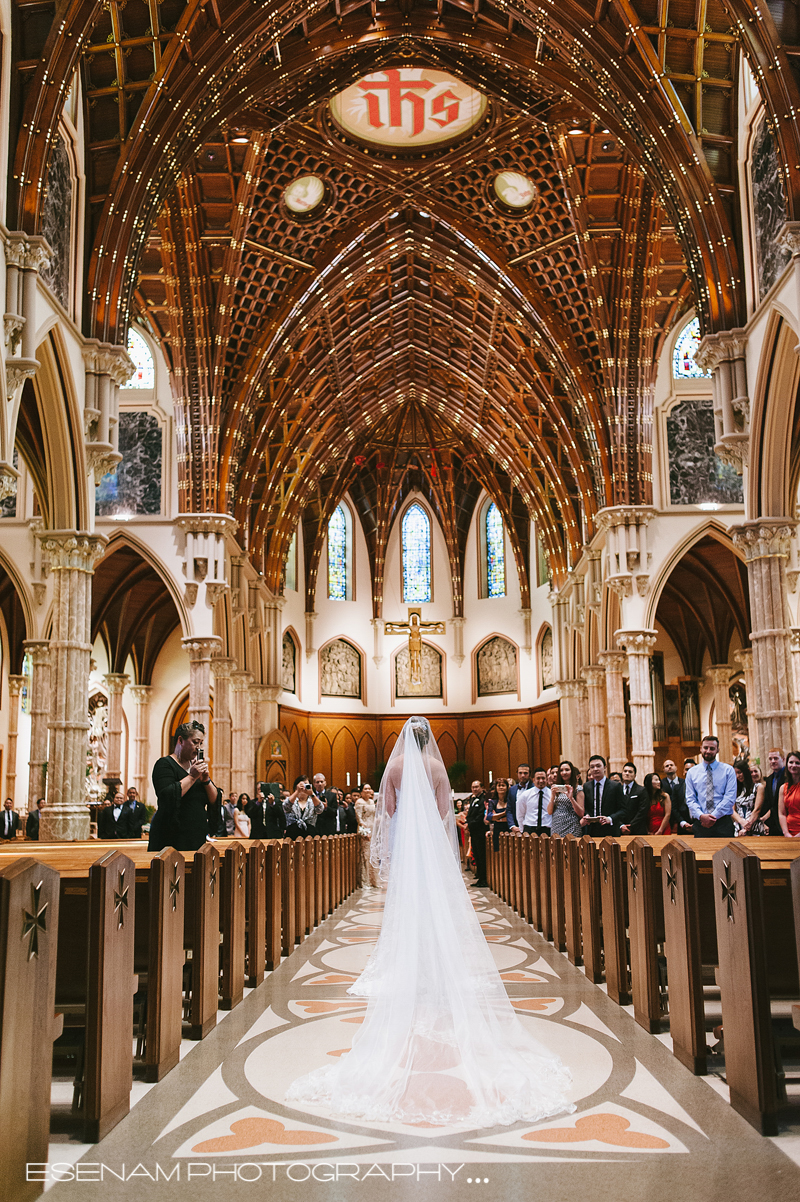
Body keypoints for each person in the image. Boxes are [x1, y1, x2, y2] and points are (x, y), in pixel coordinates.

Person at [285, 716, 574, 1125]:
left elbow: (386, 809)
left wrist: (401, 824)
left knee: (405, 905)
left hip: (405, 843)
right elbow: (443, 812)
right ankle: (437, 969)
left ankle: (411, 967)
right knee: (435, 906)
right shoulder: (438, 769)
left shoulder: (396, 768)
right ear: (429, 741)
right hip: (430, 846)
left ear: (404, 739)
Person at [148, 720, 222, 852]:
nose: (199, 747)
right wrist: (192, 777)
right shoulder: (164, 764)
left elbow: (214, 800)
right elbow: (167, 796)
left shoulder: (195, 768)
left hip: (195, 837)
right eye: (195, 742)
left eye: (201, 743)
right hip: (171, 838)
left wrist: (205, 780)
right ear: (181, 740)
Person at [684, 735, 736, 837]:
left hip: (723, 823)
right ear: (701, 749)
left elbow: (730, 798)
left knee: (726, 853)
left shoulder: (728, 770)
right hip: (700, 823)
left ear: (717, 750)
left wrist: (713, 816)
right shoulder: (692, 772)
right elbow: (690, 799)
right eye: (705, 748)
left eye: (712, 748)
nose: (708, 751)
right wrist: (701, 816)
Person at [580, 755, 619, 830]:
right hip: (592, 828)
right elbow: (585, 807)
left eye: (598, 766)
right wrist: (587, 815)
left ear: (605, 767)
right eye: (592, 767)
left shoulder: (615, 786)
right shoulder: (586, 786)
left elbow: (623, 810)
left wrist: (609, 819)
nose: (595, 769)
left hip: (610, 828)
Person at [547, 760, 584, 836]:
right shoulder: (557, 788)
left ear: (572, 771)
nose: (564, 773)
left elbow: (581, 813)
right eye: (561, 770)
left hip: (572, 826)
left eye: (567, 770)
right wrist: (552, 797)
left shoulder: (577, 788)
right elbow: (550, 812)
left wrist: (571, 798)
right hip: (556, 825)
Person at [732, 759, 767, 836]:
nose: (738, 776)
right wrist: (742, 822)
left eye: (740, 772)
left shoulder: (758, 787)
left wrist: (747, 826)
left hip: (754, 826)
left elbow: (757, 810)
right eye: (736, 774)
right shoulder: (736, 789)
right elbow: (732, 810)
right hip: (739, 826)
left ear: (746, 771)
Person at [355, 783, 379, 887]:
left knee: (373, 853)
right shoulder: (359, 802)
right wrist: (365, 831)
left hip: (373, 827)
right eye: (365, 789)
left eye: (369, 788)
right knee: (365, 855)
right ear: (361, 792)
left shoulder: (371, 801)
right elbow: (359, 818)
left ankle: (374, 880)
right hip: (365, 829)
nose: (368, 790)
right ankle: (365, 881)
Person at [466, 779, 489, 887]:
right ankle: (479, 876)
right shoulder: (473, 799)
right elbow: (470, 814)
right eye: (473, 787)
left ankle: (483, 878)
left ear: (482, 788)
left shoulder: (483, 799)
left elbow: (480, 815)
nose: (474, 789)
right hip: (474, 832)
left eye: (476, 787)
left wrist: (469, 824)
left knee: (481, 855)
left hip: (480, 831)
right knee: (476, 855)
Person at [518, 768, 551, 835]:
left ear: (547, 779)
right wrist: (522, 830)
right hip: (529, 828)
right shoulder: (525, 795)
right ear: (533, 780)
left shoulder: (552, 795)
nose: (541, 781)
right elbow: (520, 814)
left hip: (547, 829)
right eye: (538, 778)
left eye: (543, 778)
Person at [618, 761, 648, 834]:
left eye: (630, 772)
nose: (627, 773)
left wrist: (631, 825)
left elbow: (643, 810)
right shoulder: (617, 789)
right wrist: (621, 825)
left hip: (637, 829)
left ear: (635, 775)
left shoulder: (641, 790)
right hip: (620, 829)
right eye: (625, 771)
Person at [762, 748, 786, 835]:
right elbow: (769, 802)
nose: (772, 761)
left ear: (783, 759)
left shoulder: (788, 777)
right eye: (770, 759)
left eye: (776, 758)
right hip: (773, 824)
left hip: (786, 822)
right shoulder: (769, 779)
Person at [778, 751, 800, 837]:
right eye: (791, 762)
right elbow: (782, 813)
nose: (793, 765)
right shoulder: (783, 788)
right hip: (789, 832)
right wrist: (786, 833)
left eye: (797, 763)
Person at [506, 763, 532, 833]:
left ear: (530, 774)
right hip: (515, 828)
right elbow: (509, 809)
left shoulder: (535, 788)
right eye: (520, 773)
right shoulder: (512, 789)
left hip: (531, 827)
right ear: (517, 774)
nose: (523, 775)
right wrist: (512, 825)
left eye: (525, 773)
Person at [488, 778, 511, 849]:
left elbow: (512, 816)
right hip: (497, 829)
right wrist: (504, 813)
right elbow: (489, 817)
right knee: (498, 851)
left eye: (503, 785)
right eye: (499, 785)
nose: (501, 787)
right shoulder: (493, 802)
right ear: (496, 788)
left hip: (509, 828)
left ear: (507, 788)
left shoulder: (510, 800)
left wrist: (497, 817)